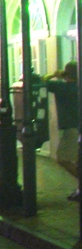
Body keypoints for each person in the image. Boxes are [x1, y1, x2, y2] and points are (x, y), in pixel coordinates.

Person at [45, 61, 79, 200]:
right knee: (77, 160)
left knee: (63, 158)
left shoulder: (61, 87)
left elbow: (43, 81)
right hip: (78, 127)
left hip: (71, 129)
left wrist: (55, 74)